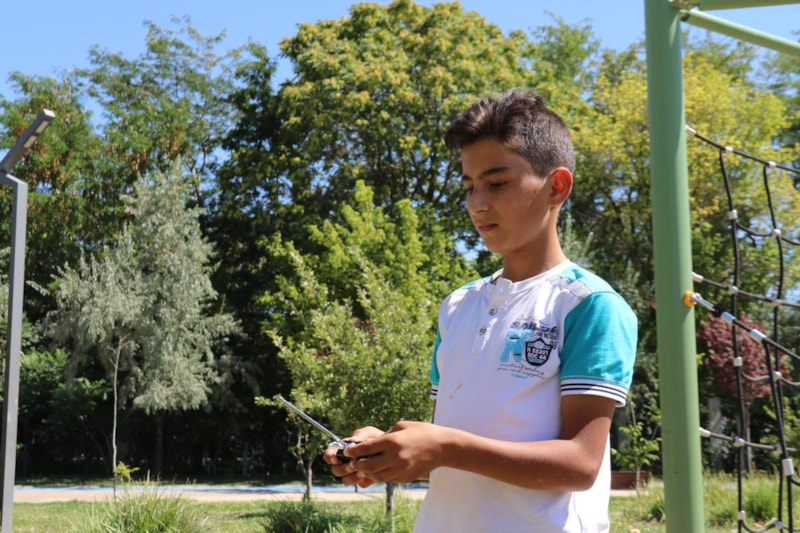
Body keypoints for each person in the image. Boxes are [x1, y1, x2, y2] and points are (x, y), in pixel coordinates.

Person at [323, 88, 638, 532]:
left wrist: (445, 447)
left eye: (497, 183)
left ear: (557, 187)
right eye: (469, 187)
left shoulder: (588, 305)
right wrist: (387, 451)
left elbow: (580, 464)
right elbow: (455, 437)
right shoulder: (458, 305)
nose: (478, 204)